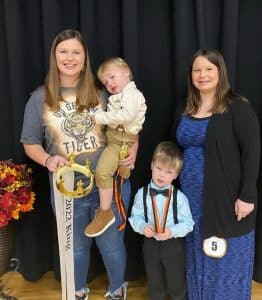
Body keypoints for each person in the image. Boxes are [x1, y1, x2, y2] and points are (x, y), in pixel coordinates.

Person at [20, 29, 137, 300]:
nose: (69, 57)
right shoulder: (39, 99)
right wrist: (48, 159)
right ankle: (78, 291)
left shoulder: (104, 93)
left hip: (107, 185)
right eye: (63, 51)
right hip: (67, 187)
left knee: (111, 245)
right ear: (54, 57)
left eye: (76, 52)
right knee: (75, 248)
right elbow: (29, 143)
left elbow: (130, 126)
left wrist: (132, 150)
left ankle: (117, 290)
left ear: (85, 59)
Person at [174, 48, 261, 300]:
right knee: (196, 254)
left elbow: (252, 153)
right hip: (190, 201)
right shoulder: (184, 107)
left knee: (227, 255)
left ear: (220, 72)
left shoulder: (237, 108)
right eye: (197, 69)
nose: (203, 75)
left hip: (226, 199)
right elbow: (174, 147)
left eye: (209, 69)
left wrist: (247, 195)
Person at [84, 57, 147, 237]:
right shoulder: (120, 96)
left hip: (119, 142)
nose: (109, 83)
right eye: (105, 82)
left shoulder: (132, 95)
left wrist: (99, 117)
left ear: (126, 72)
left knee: (102, 173)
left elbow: (126, 116)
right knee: (119, 171)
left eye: (112, 77)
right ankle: (123, 169)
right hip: (116, 141)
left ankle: (105, 212)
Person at [129, 141, 194, 300]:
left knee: (176, 283)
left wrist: (172, 231)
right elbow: (134, 218)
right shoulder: (141, 194)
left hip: (173, 246)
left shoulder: (180, 198)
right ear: (151, 165)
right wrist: (143, 226)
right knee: (154, 282)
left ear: (176, 175)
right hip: (150, 244)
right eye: (158, 168)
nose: (161, 175)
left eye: (168, 172)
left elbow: (188, 224)